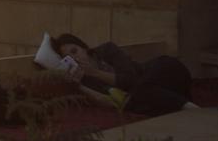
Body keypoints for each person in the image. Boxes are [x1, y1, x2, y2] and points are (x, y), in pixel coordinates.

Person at [51, 33, 198, 116]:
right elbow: (110, 103)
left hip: (166, 70)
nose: (75, 58)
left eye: (75, 51)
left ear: (83, 47)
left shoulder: (108, 50)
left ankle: (197, 112)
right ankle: (186, 106)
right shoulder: (86, 80)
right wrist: (79, 87)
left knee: (138, 91)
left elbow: (130, 79)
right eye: (68, 58)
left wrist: (95, 72)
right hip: (164, 92)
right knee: (135, 102)